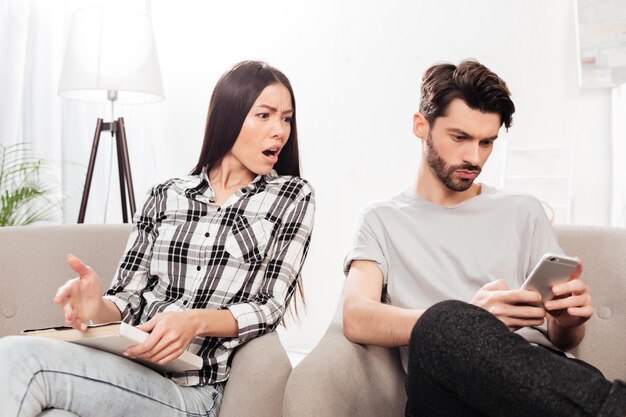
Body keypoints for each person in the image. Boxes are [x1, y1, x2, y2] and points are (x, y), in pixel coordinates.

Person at [0, 60, 315, 417]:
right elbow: (127, 298)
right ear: (229, 117)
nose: (279, 131)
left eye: (286, 118)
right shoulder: (165, 195)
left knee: (16, 356)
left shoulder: (291, 196)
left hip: (192, 391)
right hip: (129, 369)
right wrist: (95, 307)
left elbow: (269, 306)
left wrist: (194, 321)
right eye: (265, 115)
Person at [342, 60, 626, 417]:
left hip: (546, 385)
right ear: (421, 126)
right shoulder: (380, 219)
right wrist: (468, 319)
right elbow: (357, 315)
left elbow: (562, 340)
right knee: (443, 322)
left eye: (487, 142)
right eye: (459, 138)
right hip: (446, 391)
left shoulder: (524, 210)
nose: (474, 157)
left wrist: (567, 322)